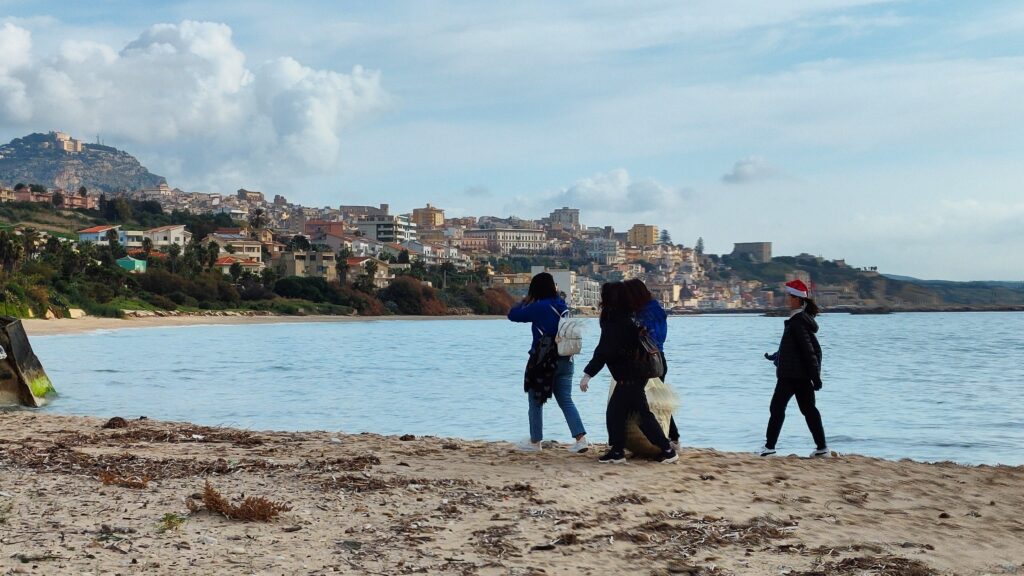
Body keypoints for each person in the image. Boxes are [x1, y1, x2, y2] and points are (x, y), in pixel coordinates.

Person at [580, 282, 677, 464]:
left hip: (629, 375)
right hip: (635, 373)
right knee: (616, 412)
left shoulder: (613, 320)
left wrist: (588, 374)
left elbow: (604, 350)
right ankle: (617, 451)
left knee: (641, 415)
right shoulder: (628, 316)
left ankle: (667, 449)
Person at [508, 272, 589, 453]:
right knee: (566, 400)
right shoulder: (562, 305)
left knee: (535, 399)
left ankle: (535, 442)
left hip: (544, 360)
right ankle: (581, 439)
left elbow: (512, 315)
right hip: (566, 357)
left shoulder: (539, 306)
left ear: (535, 289)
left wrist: (525, 300)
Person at [759, 279, 829, 458]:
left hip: (791, 376)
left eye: (789, 296)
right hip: (799, 375)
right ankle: (822, 448)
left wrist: (816, 377)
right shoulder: (799, 320)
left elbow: (809, 351)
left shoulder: (797, 322)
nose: (786, 300)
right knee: (809, 410)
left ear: (797, 299)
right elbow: (797, 348)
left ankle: (769, 448)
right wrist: (777, 355)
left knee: (777, 408)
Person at [622, 278, 680, 450]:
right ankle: (673, 437)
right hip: (659, 358)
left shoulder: (645, 313)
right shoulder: (655, 309)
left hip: (647, 360)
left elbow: (647, 338)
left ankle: (668, 440)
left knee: (647, 402)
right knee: (658, 401)